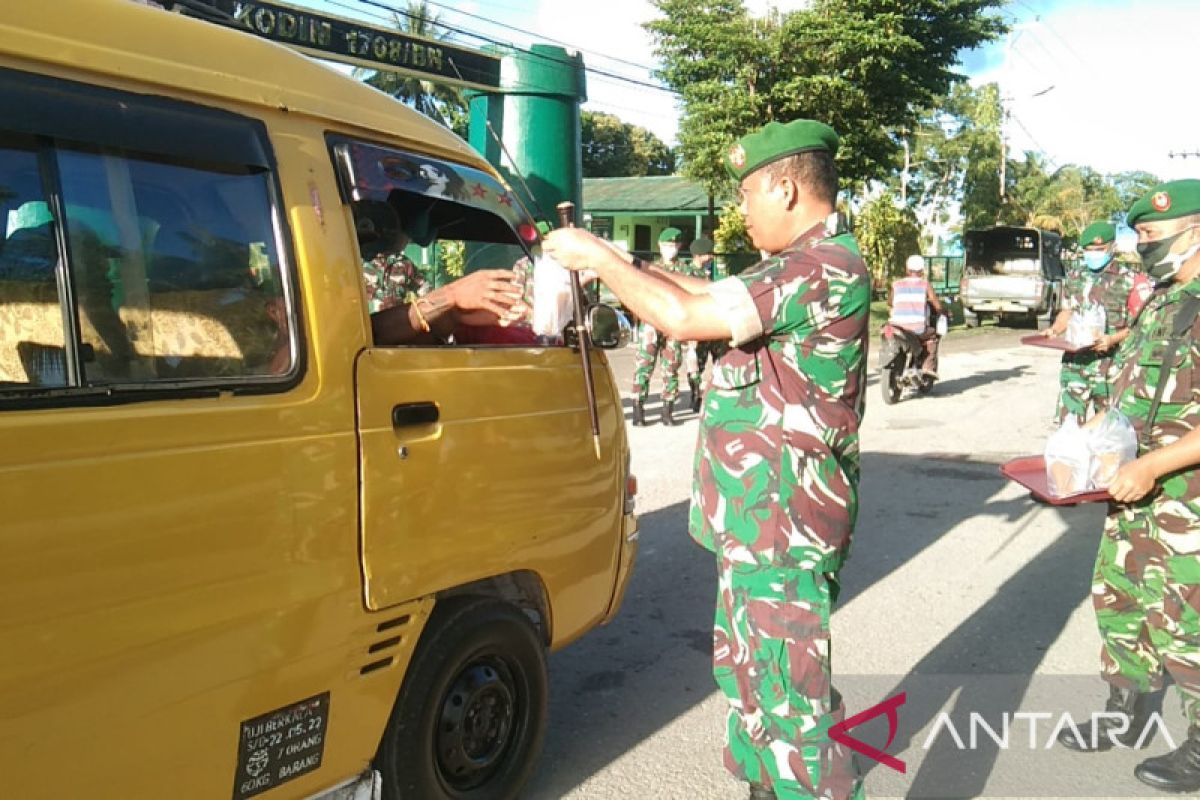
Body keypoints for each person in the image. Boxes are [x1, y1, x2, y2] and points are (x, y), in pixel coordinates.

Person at [544, 118, 869, 800]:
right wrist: (613, 256)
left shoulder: (823, 267)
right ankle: (763, 787)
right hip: (760, 521)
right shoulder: (792, 266)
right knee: (751, 676)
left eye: (748, 194)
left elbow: (684, 320)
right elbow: (695, 299)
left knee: (791, 701)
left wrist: (601, 261)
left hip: (785, 524)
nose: (742, 211)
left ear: (784, 187)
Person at [1058, 180, 1200, 793]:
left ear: (1194, 230)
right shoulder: (1163, 299)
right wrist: (1093, 435)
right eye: (1137, 236)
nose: (1139, 247)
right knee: (1121, 601)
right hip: (1133, 490)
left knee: (1188, 620)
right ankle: (1128, 716)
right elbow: (1129, 388)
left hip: (1185, 497)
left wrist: (1154, 465)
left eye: (1151, 236)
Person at [352, 200, 527, 346]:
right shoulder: (340, 271)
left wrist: (454, 314)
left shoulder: (403, 265)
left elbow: (424, 301)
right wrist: (451, 295)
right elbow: (362, 336)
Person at [1042, 220, 1142, 423]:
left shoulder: (1131, 280)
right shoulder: (1075, 276)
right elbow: (1067, 310)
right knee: (1068, 430)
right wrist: (1054, 330)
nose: (1093, 254)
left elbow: (1140, 325)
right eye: (1088, 249)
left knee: (1108, 431)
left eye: (1099, 249)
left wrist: (1113, 339)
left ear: (1112, 247)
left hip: (1111, 368)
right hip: (1075, 366)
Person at [629, 227, 687, 425]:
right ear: (659, 247)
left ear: (679, 246)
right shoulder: (651, 269)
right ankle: (638, 409)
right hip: (652, 323)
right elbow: (639, 295)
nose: (669, 249)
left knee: (671, 366)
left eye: (672, 245)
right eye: (665, 245)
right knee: (644, 366)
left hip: (672, 324)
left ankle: (667, 411)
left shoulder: (686, 271)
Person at [682, 235, 723, 412]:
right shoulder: (688, 274)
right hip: (698, 327)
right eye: (708, 254)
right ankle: (695, 396)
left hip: (712, 326)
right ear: (698, 255)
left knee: (719, 361)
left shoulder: (709, 273)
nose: (711, 258)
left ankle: (717, 395)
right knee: (695, 365)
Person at [888, 254, 945, 376]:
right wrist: (942, 311)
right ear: (922, 270)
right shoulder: (925, 284)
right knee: (932, 336)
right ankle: (927, 368)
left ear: (907, 270)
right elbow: (936, 303)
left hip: (894, 327)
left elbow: (890, 302)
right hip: (916, 328)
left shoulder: (896, 284)